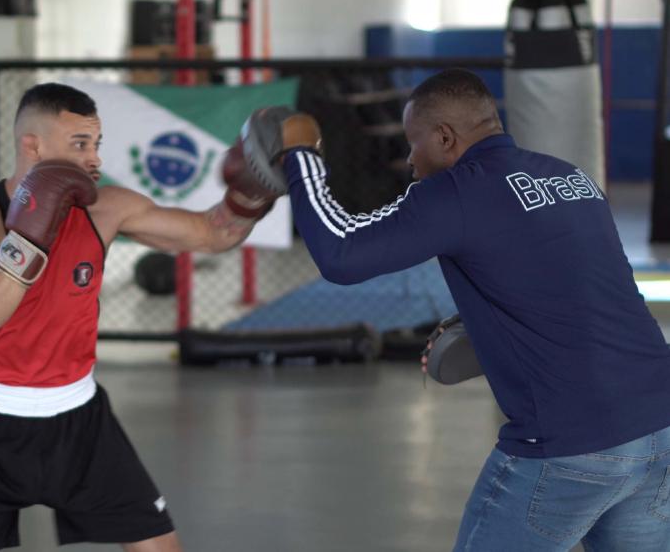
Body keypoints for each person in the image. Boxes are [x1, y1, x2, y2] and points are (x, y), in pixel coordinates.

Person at [245, 69, 670, 551]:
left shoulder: (458, 191)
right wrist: (489, 328)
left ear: (445, 137)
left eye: (413, 143)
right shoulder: (570, 177)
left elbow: (342, 252)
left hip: (570, 444)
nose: (410, 160)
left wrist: (301, 158)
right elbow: (585, 286)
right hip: (660, 425)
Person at [0, 82, 310, 551]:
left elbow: (210, 235)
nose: (95, 160)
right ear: (33, 145)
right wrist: (30, 233)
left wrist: (251, 194)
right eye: (80, 144)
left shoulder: (105, 209)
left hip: (81, 422)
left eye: (97, 144)